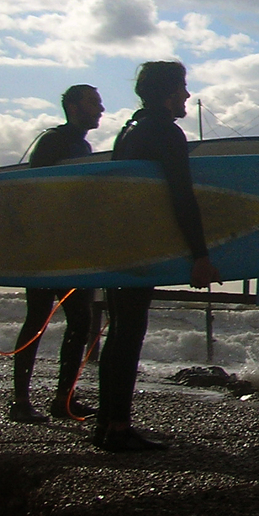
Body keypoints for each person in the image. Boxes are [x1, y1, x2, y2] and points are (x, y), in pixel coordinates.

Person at [99, 61, 220, 452]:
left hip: (118, 243)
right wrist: (199, 255)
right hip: (140, 246)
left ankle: (108, 424)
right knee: (128, 334)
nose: (187, 95)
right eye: (183, 87)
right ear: (169, 93)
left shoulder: (129, 131)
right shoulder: (167, 133)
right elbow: (182, 198)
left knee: (118, 334)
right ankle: (117, 429)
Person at [10, 85, 103, 424]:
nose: (101, 108)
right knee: (37, 318)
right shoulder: (53, 141)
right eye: (93, 102)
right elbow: (38, 193)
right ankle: (20, 400)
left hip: (69, 247)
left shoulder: (82, 145)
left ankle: (63, 399)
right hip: (46, 247)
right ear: (72, 106)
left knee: (80, 321)